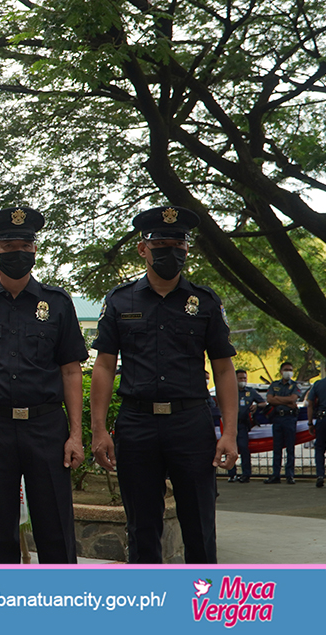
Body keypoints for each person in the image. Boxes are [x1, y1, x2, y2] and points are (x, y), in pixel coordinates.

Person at [90, 206, 238, 564]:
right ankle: (151, 604)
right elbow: (105, 366)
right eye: (161, 245)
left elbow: (224, 370)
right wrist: (98, 431)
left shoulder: (204, 301)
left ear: (188, 250)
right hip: (137, 424)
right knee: (141, 527)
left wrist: (229, 432)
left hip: (190, 424)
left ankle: (202, 609)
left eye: (178, 245)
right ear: (143, 249)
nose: (170, 252)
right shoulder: (119, 301)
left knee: (199, 525)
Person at [0, 207, 88, 564]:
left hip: (46, 427)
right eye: (9, 246)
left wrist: (75, 435)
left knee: (55, 525)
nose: (18, 252)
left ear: (35, 249)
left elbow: (72, 372)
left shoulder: (57, 304)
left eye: (26, 244)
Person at [264, 361, 302, 484]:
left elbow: (293, 399)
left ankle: (289, 475)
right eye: (286, 369)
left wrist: (277, 399)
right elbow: (270, 399)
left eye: (290, 369)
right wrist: (287, 402)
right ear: (281, 371)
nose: (288, 372)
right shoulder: (274, 385)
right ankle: (276, 475)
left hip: (289, 419)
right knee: (277, 448)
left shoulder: (295, 386)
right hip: (277, 419)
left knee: (290, 448)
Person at [228, 369, 263, 483]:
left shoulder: (250, 392)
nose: (243, 381)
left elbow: (263, 402)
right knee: (230, 450)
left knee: (243, 448)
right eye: (240, 378)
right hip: (230, 424)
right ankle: (232, 474)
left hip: (243, 424)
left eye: (244, 378)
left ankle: (246, 474)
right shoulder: (229, 391)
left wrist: (256, 406)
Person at [306, 365, 326, 487]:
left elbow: (310, 404)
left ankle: (320, 475)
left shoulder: (318, 384)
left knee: (319, 448)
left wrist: (310, 423)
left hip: (322, 419)